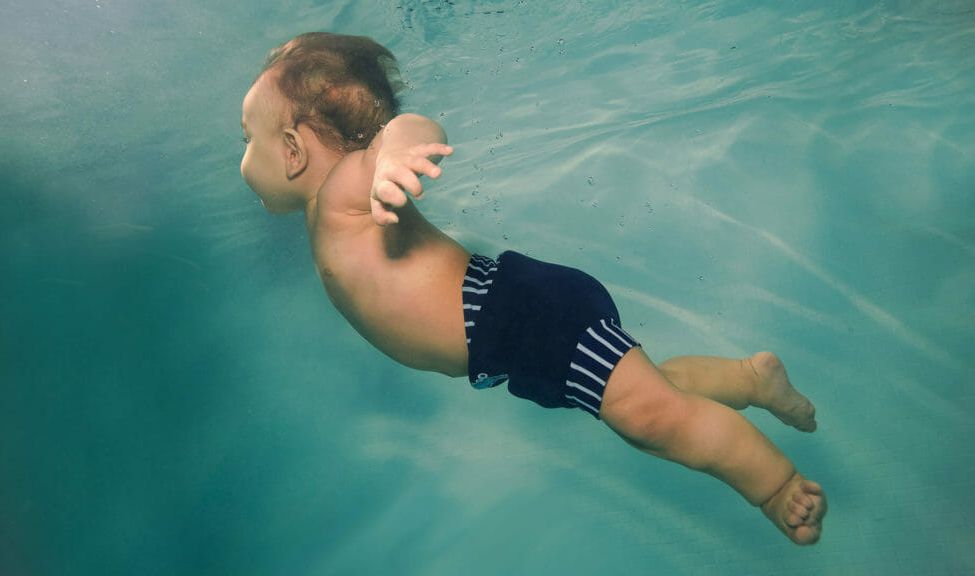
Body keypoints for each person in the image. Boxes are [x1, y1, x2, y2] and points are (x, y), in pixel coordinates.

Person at [239, 32, 827, 545]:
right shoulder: (325, 214)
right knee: (653, 391)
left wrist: (393, 156)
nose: (243, 157)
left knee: (648, 418)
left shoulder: (348, 185)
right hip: (514, 344)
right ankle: (749, 379)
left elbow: (407, 129)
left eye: (248, 139)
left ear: (292, 151)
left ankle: (774, 486)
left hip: (523, 315)